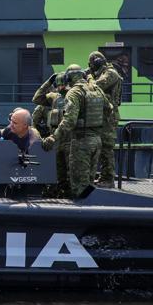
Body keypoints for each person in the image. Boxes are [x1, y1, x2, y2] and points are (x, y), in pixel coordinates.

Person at [41, 68, 112, 198]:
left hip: (81, 143)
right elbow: (109, 109)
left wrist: (53, 138)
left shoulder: (74, 93)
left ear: (69, 79)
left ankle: (80, 213)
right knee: (90, 185)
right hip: (96, 141)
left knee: (79, 186)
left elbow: (69, 121)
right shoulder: (97, 90)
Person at [89, 51, 123, 186]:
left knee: (107, 148)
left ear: (97, 62)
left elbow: (95, 87)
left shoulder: (110, 73)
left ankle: (108, 179)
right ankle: (104, 176)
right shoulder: (105, 73)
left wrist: (89, 78)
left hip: (109, 117)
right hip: (104, 116)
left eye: (92, 65)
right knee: (102, 147)